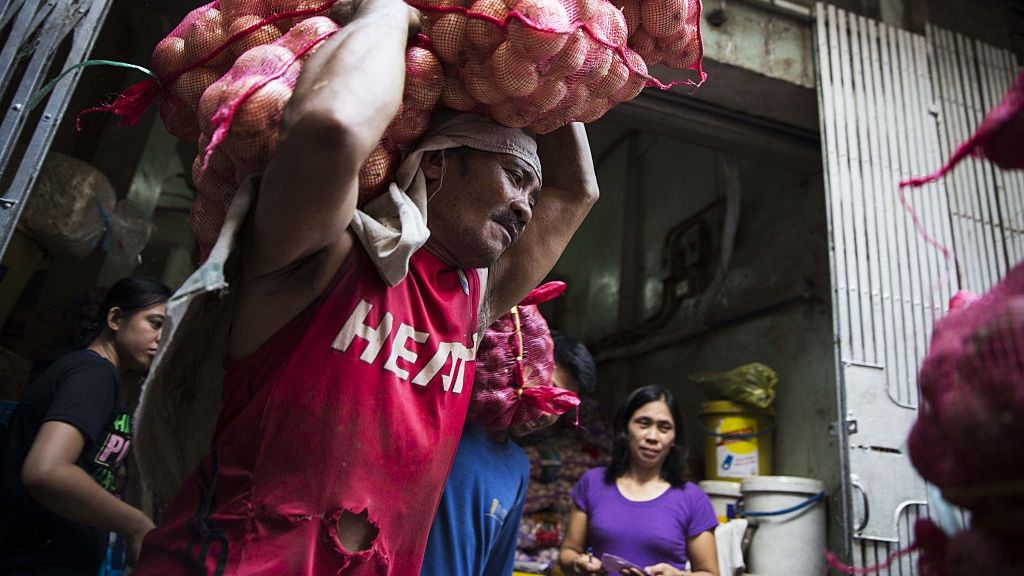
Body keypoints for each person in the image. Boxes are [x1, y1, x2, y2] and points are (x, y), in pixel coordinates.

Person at [133, 0, 599, 572]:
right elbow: (332, 127)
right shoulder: (320, 251)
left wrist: (537, 45)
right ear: (436, 164)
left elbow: (575, 193)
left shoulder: (473, 301)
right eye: (515, 178)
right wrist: (390, 9)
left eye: (532, 190)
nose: (528, 207)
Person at [0, 277, 171, 575]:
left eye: (168, 331)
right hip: (32, 560)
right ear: (115, 318)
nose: (161, 338)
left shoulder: (111, 381)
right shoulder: (93, 374)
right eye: (155, 324)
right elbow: (47, 471)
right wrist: (137, 525)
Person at [421, 314, 597, 576]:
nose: (548, 412)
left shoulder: (518, 467)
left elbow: (497, 564)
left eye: (561, 404)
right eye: (550, 388)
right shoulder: (445, 422)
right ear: (526, 365)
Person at [560, 384, 719, 576]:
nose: (652, 437)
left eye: (664, 427)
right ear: (625, 429)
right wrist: (579, 562)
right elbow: (567, 553)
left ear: (674, 438)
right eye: (643, 423)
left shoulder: (693, 498)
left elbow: (709, 573)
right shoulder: (592, 483)